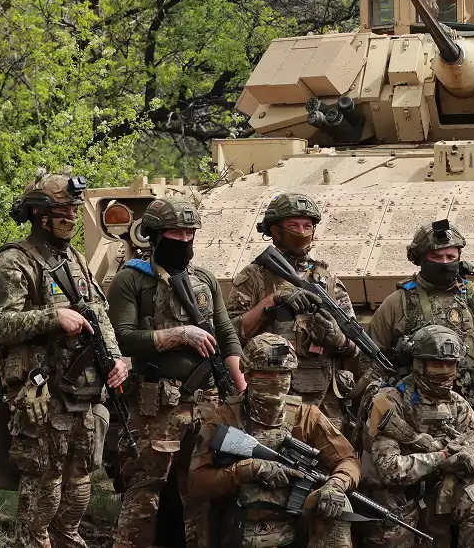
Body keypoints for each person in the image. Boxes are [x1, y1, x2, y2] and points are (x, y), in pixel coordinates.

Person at [0, 167, 130, 548]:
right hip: (41, 394)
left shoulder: (75, 259)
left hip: (81, 393)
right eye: (62, 212)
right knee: (44, 484)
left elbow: (99, 313)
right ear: (39, 214)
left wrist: (115, 358)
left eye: (74, 211)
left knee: (79, 482)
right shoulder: (15, 262)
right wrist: (53, 316)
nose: (70, 218)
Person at [358, 221, 474, 548]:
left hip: (471, 421)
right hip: (412, 424)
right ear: (421, 258)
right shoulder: (398, 303)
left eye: (452, 256)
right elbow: (368, 361)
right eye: (437, 256)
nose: (446, 262)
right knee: (405, 515)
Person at [108, 196, 247, 548]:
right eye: (176, 234)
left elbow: (226, 332)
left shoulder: (204, 280)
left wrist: (240, 385)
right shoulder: (131, 280)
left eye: (190, 234)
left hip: (208, 403)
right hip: (157, 407)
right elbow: (123, 337)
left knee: (201, 492)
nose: (184, 241)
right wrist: (179, 335)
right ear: (155, 236)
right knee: (144, 496)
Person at [179, 333, 359, 548]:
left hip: (294, 526)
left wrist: (336, 484)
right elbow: (195, 483)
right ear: (248, 374)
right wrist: (249, 469)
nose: (276, 380)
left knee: (337, 504)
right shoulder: (224, 419)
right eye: (266, 373)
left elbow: (348, 460)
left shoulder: (306, 416)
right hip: (236, 526)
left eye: (283, 373)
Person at [227, 193, 359, 430]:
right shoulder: (254, 277)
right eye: (293, 226)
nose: (301, 232)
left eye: (307, 226)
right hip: (271, 402)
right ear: (275, 231)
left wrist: (337, 339)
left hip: (325, 406)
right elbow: (231, 335)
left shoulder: (327, 281)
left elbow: (355, 347)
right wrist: (273, 300)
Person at [363, 325, 474, 548]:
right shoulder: (389, 403)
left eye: (450, 364)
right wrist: (442, 457)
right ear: (419, 364)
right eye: (436, 364)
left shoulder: (459, 406)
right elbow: (390, 471)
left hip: (437, 498)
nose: (444, 371)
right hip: (395, 500)